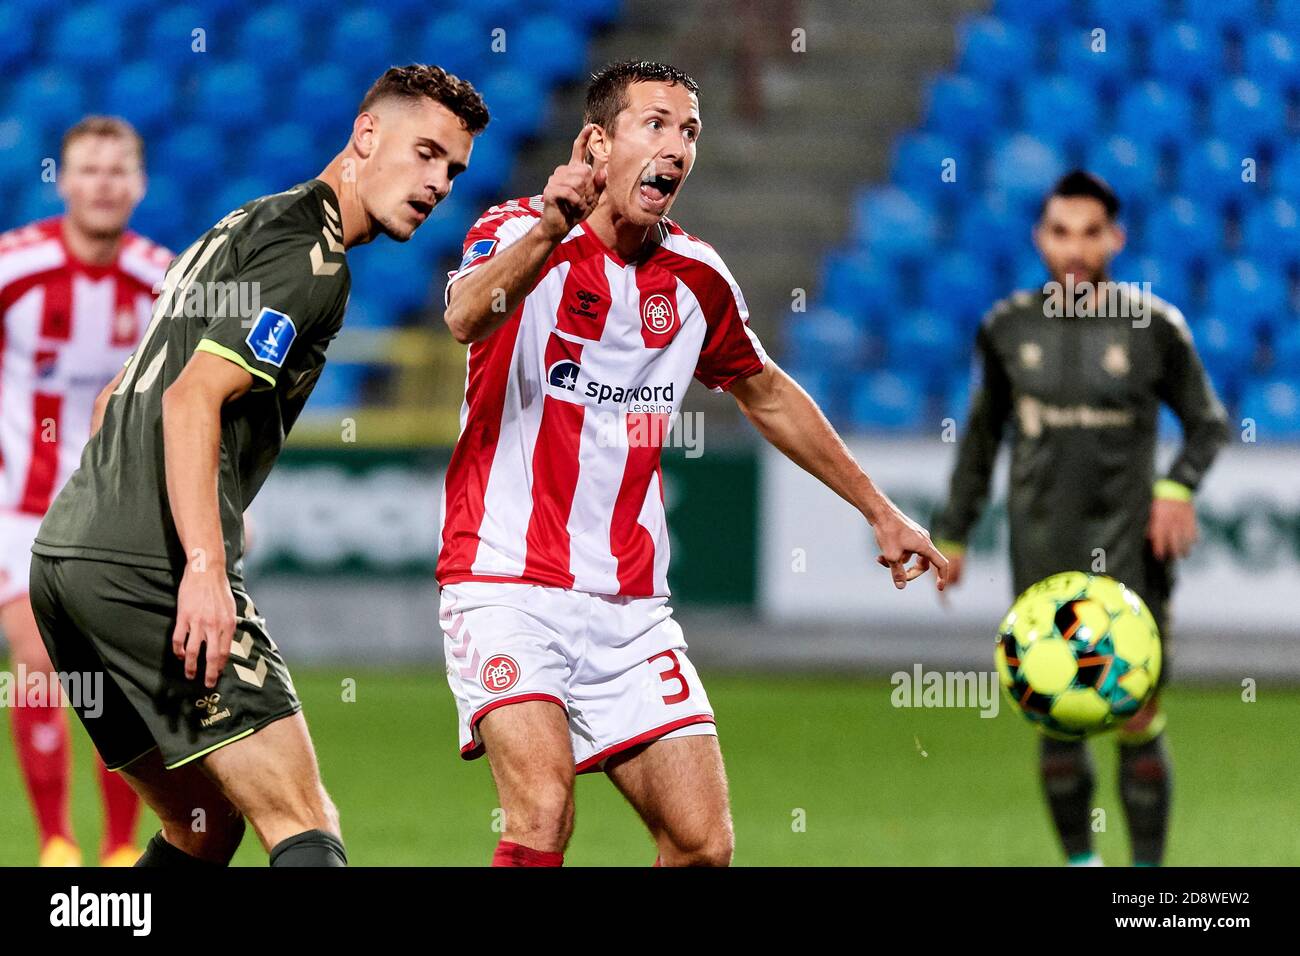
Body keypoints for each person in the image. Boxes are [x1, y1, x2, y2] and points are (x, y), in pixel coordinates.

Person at [438, 60, 947, 867]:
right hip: (505, 583)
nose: (675, 148)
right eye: (656, 126)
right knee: (540, 813)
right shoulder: (516, 230)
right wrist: (548, 228)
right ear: (596, 144)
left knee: (702, 845)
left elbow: (767, 392)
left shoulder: (698, 278)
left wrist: (878, 510)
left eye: (690, 133)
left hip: (629, 606)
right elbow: (466, 315)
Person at [29, 65, 487, 867]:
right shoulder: (313, 263)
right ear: (366, 134)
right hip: (151, 564)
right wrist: (201, 566)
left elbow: (118, 397)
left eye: (453, 169)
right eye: (425, 153)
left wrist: (107, 528)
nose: (439, 183)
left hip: (67, 561)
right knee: (304, 822)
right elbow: (189, 400)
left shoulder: (240, 224)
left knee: (202, 828)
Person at [932, 170, 1230, 867]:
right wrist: (951, 532)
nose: (1074, 248)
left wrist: (1177, 488)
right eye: (1060, 232)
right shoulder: (1007, 329)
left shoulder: (1154, 328)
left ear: (1115, 239)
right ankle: (1081, 865)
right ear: (1040, 238)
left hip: (1131, 555)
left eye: (1090, 233)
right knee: (1057, 717)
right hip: (1041, 549)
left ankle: (1148, 882)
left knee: (1138, 714)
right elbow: (980, 438)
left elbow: (1209, 424)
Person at [0, 116, 171, 867]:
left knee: (118, 674)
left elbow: (194, 397)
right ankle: (54, 843)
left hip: (116, 509)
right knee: (37, 663)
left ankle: (119, 847)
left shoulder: (164, 279)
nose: (103, 184)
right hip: (19, 506)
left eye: (118, 171)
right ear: (62, 181)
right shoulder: (13, 266)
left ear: (138, 184)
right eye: (88, 171)